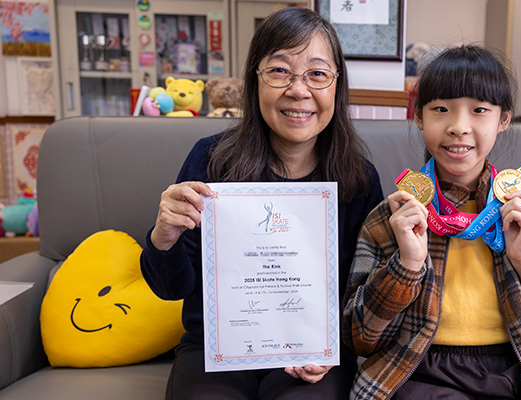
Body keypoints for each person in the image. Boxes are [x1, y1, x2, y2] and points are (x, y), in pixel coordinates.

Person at [140, 7, 384, 400]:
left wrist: (332, 345)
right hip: (215, 351)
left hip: (311, 355)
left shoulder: (359, 179)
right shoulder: (210, 161)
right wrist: (163, 237)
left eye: (317, 74)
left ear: (337, 86)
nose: (299, 90)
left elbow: (366, 292)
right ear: (255, 80)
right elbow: (171, 289)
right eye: (280, 71)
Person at [342, 45, 521, 400]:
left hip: (519, 369)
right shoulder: (393, 217)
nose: (459, 127)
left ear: (503, 120)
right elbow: (359, 339)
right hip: (418, 373)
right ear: (418, 116)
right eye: (441, 109)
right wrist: (407, 265)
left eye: (479, 110)